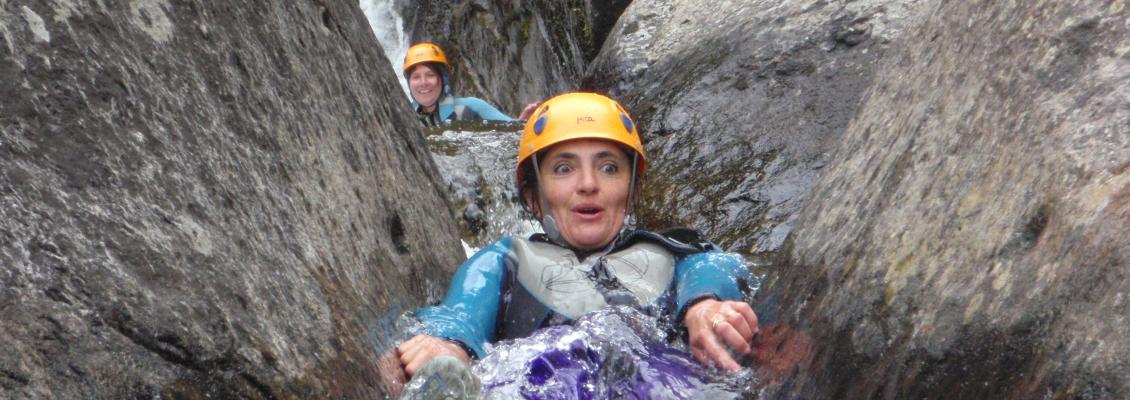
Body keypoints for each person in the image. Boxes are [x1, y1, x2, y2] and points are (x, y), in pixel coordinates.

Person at [393, 92, 758, 398]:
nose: (588, 184)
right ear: (533, 196)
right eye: (564, 169)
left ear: (633, 191)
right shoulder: (507, 260)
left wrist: (703, 305)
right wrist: (448, 346)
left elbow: (717, 265)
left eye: (609, 168)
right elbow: (462, 312)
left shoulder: (673, 254)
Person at [402, 42, 538, 127]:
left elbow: (512, 131)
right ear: (409, 83)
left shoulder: (471, 107)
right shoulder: (404, 118)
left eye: (430, 75)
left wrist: (522, 123)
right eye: (416, 77)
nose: (423, 83)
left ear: (443, 78)